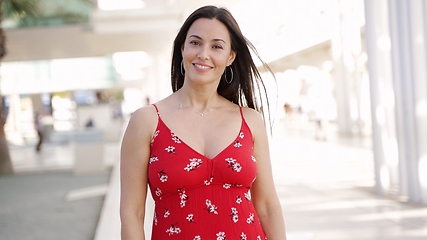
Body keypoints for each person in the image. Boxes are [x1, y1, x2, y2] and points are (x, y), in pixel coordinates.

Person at [120, 5, 287, 240]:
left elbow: (269, 206)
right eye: (195, 42)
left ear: (231, 57)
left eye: (216, 46)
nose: (203, 54)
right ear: (182, 48)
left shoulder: (249, 121)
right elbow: (132, 212)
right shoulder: (147, 121)